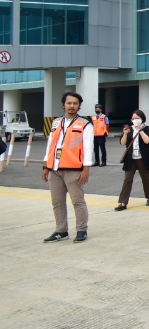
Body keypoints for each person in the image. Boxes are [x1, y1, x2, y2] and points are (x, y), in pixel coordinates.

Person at [41, 92, 94, 243]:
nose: (72, 106)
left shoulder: (85, 124)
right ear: (63, 104)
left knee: (78, 201)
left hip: (73, 169)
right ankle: (61, 230)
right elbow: (51, 145)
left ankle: (81, 230)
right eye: (69, 103)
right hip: (55, 168)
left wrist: (86, 168)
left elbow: (88, 147)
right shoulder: (56, 123)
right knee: (57, 202)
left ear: (79, 106)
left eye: (75, 103)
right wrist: (46, 165)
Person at [115, 109, 149, 210]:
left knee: (145, 178)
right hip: (130, 158)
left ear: (142, 119)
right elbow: (122, 143)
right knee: (127, 179)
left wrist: (140, 130)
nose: (135, 120)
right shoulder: (129, 129)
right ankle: (123, 202)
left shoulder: (147, 129)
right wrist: (125, 134)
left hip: (143, 158)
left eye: (137, 118)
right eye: (133, 118)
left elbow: (147, 141)